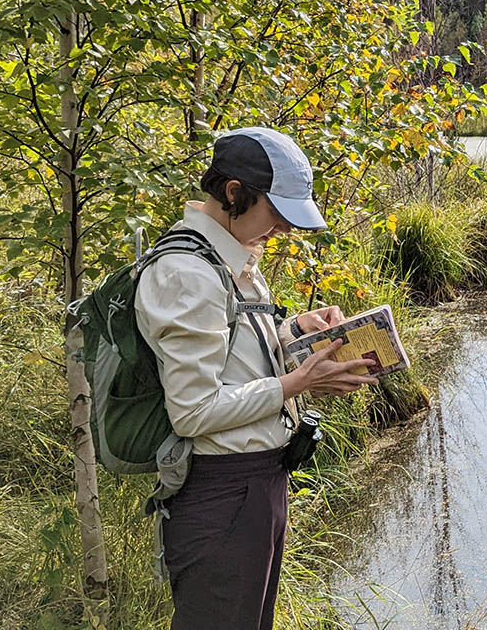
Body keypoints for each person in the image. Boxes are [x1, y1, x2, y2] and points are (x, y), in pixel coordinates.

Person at [135, 126, 377, 630]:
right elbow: (193, 411)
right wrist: (297, 383)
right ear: (233, 192)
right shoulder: (187, 273)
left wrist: (295, 333)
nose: (283, 229)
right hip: (222, 494)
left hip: (256, 485)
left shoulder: (231, 255)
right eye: (277, 212)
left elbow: (232, 355)